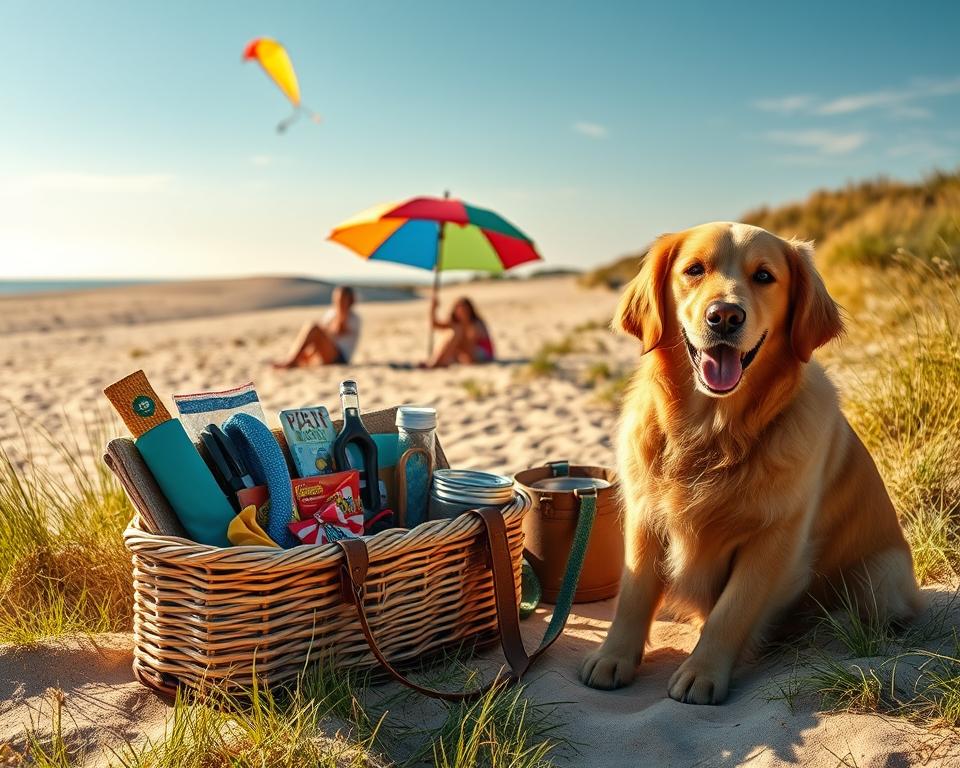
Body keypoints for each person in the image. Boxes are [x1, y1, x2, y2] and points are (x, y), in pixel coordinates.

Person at [274, 286, 361, 368]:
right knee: (312, 329)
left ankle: (292, 361)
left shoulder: (354, 318)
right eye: (336, 298)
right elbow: (321, 333)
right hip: (326, 352)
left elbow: (337, 331)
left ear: (350, 300)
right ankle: (295, 359)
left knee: (314, 328)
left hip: (340, 358)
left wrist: (342, 313)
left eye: (341, 299)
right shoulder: (331, 313)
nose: (338, 301)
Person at [424, 295, 494, 368]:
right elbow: (435, 325)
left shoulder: (476, 323)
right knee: (450, 335)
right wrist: (433, 310)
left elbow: (470, 344)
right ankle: (436, 361)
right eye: (459, 309)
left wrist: (454, 341)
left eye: (464, 309)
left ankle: (436, 362)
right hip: (469, 353)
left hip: (483, 353)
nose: (462, 312)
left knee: (455, 334)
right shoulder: (457, 323)